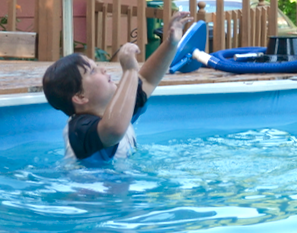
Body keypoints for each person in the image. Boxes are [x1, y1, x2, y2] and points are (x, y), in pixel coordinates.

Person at [42, 11, 192, 163]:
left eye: (98, 65)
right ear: (80, 97)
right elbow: (113, 129)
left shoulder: (117, 110)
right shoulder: (79, 130)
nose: (103, 69)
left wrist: (170, 43)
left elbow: (147, 80)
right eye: (93, 71)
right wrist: (129, 71)